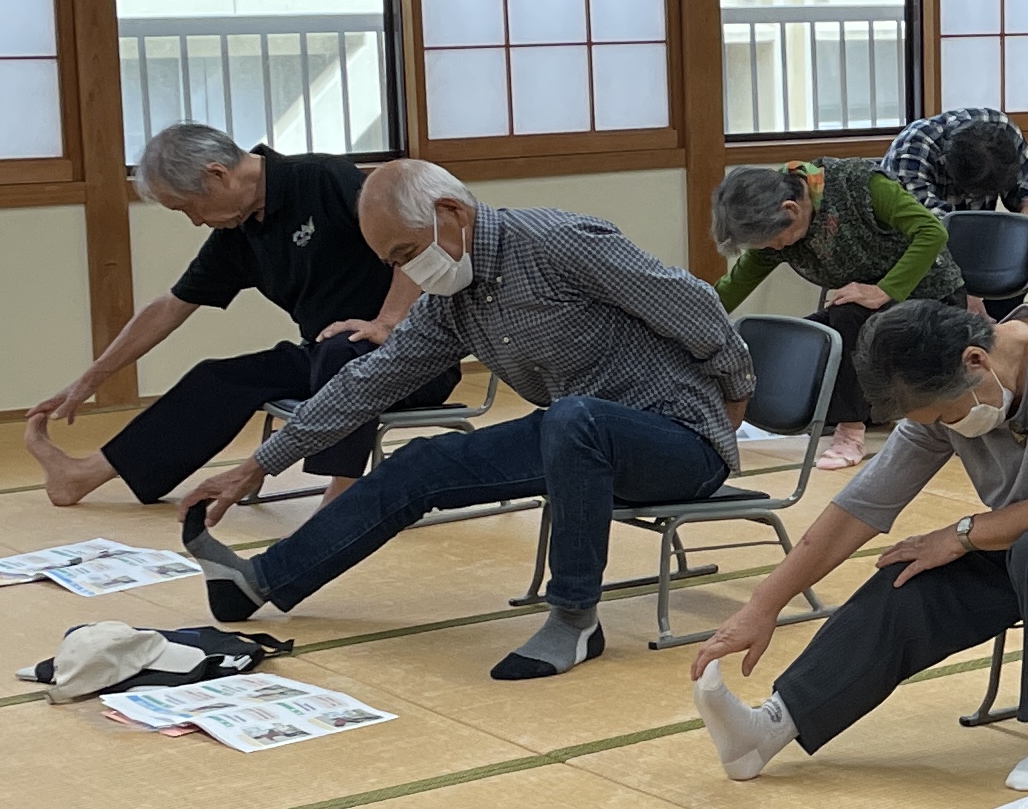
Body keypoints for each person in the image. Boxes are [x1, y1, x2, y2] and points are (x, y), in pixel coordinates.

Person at [175, 160, 753, 683]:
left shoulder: (556, 242)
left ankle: (576, 619)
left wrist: (733, 401)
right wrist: (257, 466)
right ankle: (260, 580)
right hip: (577, 438)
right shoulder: (452, 300)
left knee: (574, 417)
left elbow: (695, 305)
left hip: (680, 442)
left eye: (407, 252)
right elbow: (366, 382)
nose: (408, 271)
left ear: (450, 212)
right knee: (423, 463)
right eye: (393, 263)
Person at [687, 300, 1028, 795]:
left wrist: (959, 535)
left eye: (945, 416)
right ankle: (772, 726)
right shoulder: (947, 390)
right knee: (913, 569)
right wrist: (764, 605)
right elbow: (865, 504)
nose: (947, 427)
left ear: (976, 360)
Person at [22, 124, 450, 511]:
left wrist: (387, 323)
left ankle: (343, 497)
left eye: (188, 208)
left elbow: (417, 238)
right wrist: (90, 380)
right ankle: (84, 474)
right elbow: (171, 306)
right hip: (324, 353)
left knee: (342, 354)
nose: (195, 221)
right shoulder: (239, 233)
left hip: (412, 357)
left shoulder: (323, 179)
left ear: (217, 175)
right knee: (220, 378)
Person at [709, 157, 962, 472]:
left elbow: (931, 232)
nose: (775, 248)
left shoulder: (862, 186)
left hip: (931, 296)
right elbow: (731, 289)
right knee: (808, 338)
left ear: (791, 209)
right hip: (865, 306)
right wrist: (688, 320)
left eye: (774, 241)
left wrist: (885, 290)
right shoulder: (778, 230)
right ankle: (855, 414)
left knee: (846, 314)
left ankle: (851, 431)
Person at [885, 107, 1028, 232]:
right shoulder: (911, 152)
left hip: (972, 234)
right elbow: (928, 222)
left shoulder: (1004, 130)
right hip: (910, 238)